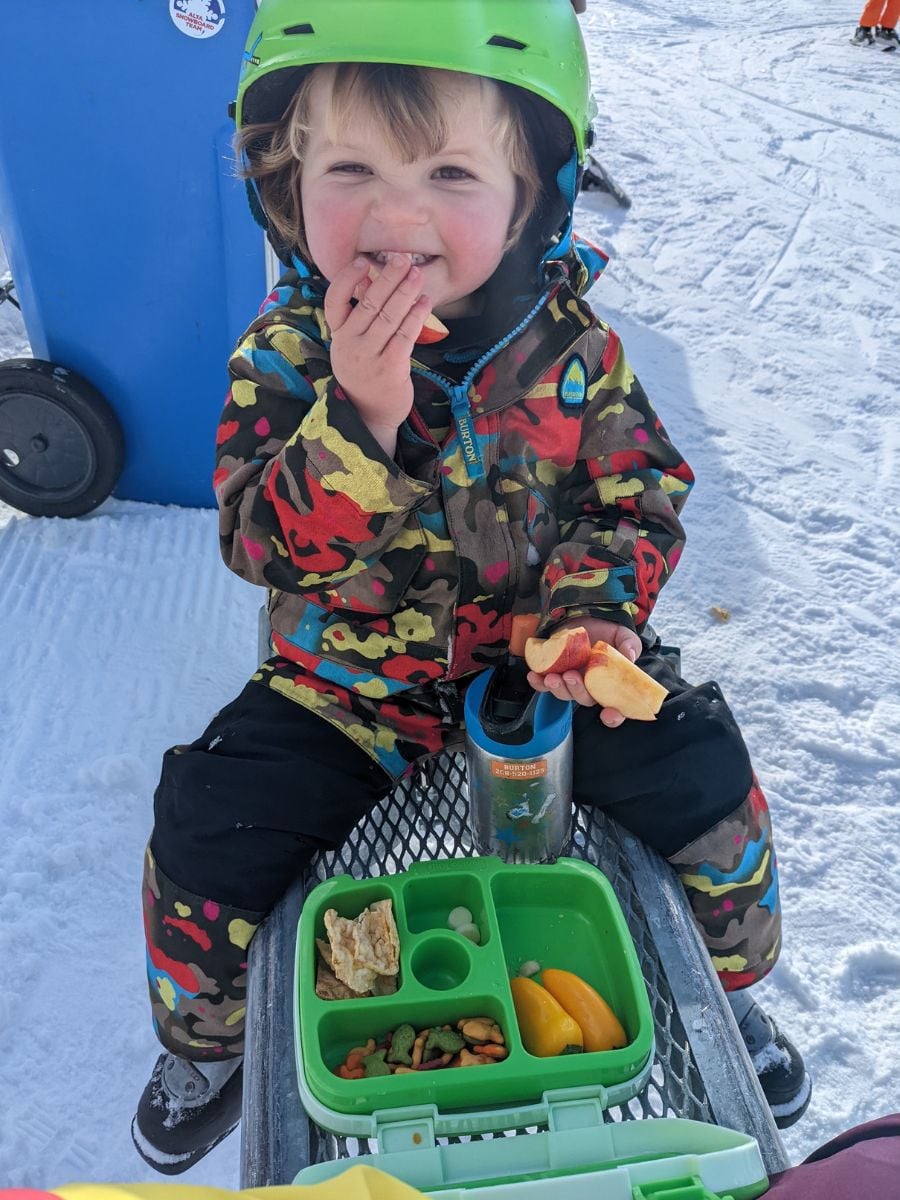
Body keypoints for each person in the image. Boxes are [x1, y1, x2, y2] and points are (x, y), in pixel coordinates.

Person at [131, 0, 810, 1175]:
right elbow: (262, 545)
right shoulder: (287, 357)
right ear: (287, 181)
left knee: (698, 766)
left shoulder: (571, 347)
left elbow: (635, 487)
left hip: (540, 672)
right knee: (205, 824)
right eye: (351, 168)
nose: (396, 215)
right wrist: (359, 415)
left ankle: (720, 989)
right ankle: (209, 1037)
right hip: (347, 683)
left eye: (449, 169)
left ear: (531, 193)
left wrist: (596, 611)